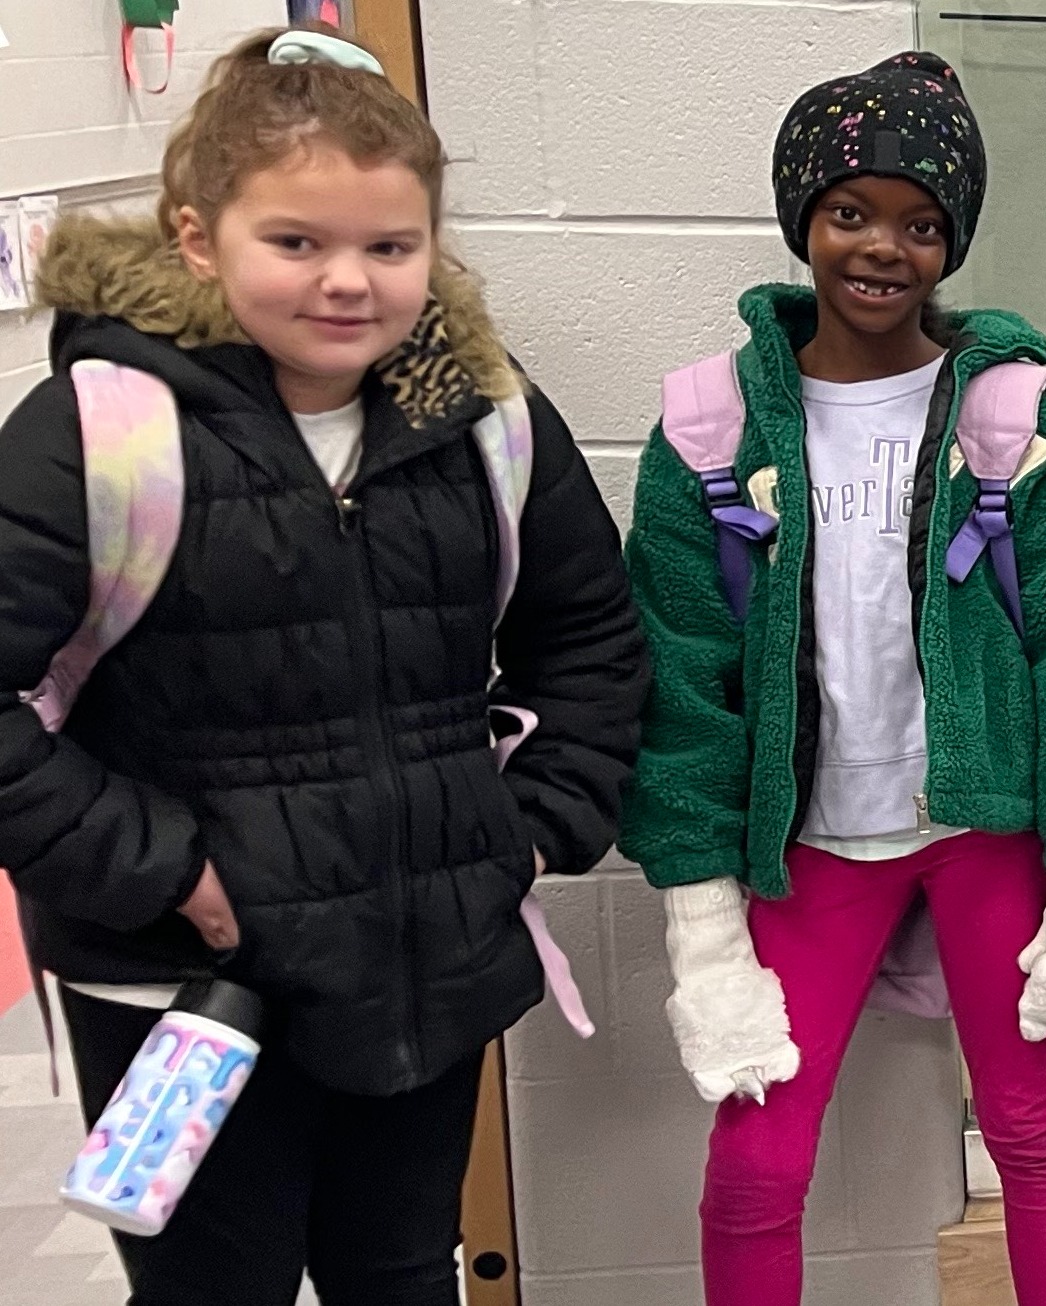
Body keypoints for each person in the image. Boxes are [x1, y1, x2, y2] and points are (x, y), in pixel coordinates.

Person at [0, 28, 645, 1304]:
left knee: (400, 1272)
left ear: (431, 251)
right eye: (296, 242)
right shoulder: (99, 430)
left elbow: (591, 642)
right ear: (200, 237)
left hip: (428, 964)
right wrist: (167, 870)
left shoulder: (491, 422)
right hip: (180, 982)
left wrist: (518, 837)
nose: (346, 282)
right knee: (207, 1288)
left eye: (388, 247)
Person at [619, 54, 1046, 1306]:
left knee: (1029, 1125)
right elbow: (685, 679)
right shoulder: (709, 429)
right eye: (850, 211)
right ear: (801, 217)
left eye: (921, 224)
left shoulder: (1014, 418)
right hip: (804, 846)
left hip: (980, 828)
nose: (882, 248)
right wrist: (700, 919)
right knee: (757, 1161)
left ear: (952, 241)